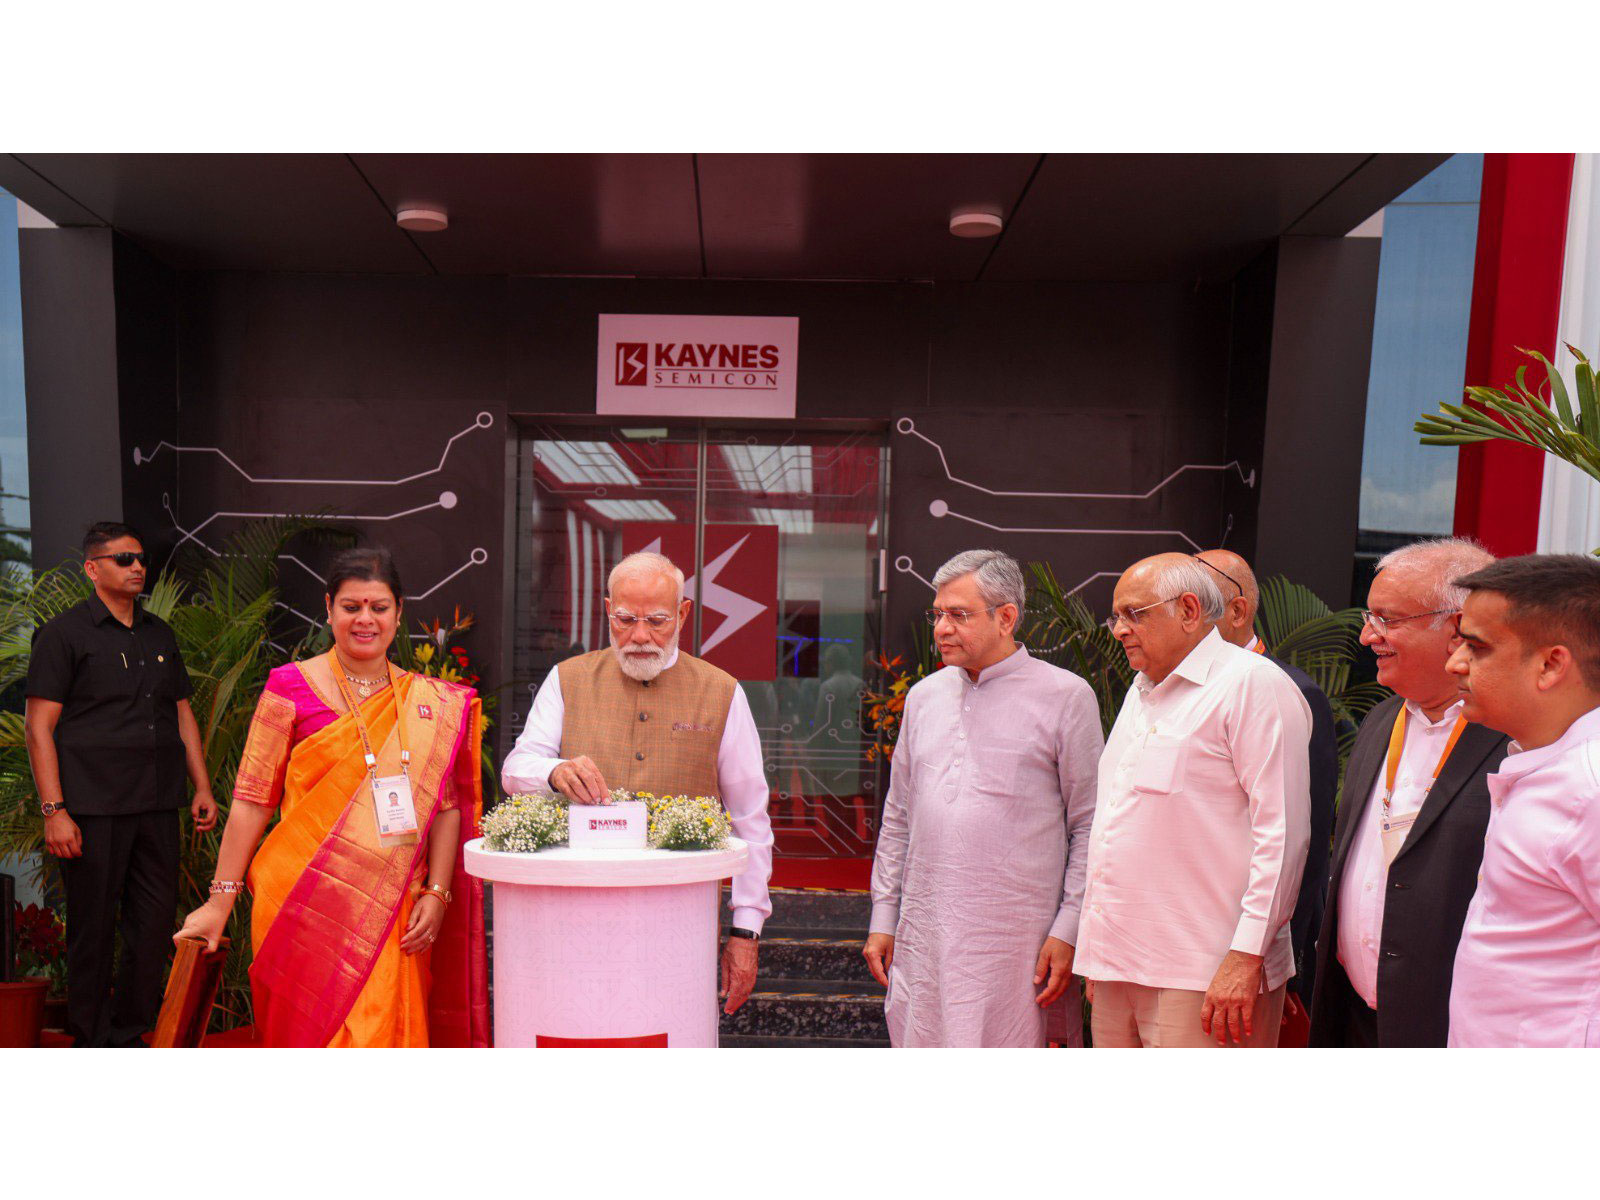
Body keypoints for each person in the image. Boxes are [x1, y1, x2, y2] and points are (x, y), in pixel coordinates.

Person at [175, 548, 489, 1047]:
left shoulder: (428, 702)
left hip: (391, 905)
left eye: (379, 607)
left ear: (399, 612)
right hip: (301, 900)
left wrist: (438, 892)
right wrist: (219, 902)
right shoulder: (289, 687)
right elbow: (253, 801)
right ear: (329, 608)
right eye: (351, 606)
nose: (365, 619)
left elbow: (446, 808)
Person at [501, 550, 774, 1015]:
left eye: (658, 621)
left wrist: (745, 931)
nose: (640, 637)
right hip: (574, 913)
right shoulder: (568, 679)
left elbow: (750, 818)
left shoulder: (722, 691)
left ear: (684, 614)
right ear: (608, 609)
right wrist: (552, 771)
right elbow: (516, 766)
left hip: (681, 921)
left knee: (669, 1028)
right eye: (626, 619)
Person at [864, 549, 1101, 1047]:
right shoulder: (925, 696)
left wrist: (1068, 928)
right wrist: (883, 917)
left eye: (959, 615)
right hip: (924, 933)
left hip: (1016, 943)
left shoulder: (1066, 696)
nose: (942, 628)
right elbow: (898, 817)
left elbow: (1090, 825)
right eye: (938, 614)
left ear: (1006, 617)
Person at [1076, 552, 1311, 1048]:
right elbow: (1115, 825)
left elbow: (1283, 835)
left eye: (1134, 614)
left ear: (1188, 610)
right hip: (1120, 966)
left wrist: (1247, 957)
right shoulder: (1141, 692)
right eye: (1115, 616)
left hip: (1207, 972)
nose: (1118, 630)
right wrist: (1100, 952)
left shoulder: (1252, 683)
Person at [24, 522, 218, 1047]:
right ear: (92, 568)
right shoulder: (64, 634)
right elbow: (38, 727)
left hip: (158, 802)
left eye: (140, 558)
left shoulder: (159, 633)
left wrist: (201, 787)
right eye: (123, 558)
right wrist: (54, 811)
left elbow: (182, 713)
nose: (137, 567)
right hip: (91, 807)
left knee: (154, 925)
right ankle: (90, 1038)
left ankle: (132, 1033)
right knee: (92, 928)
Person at [1307, 537, 1505, 1048]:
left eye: (1387, 619)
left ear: (1457, 627)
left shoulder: (1518, 739)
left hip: (1445, 1026)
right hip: (1351, 1013)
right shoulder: (1381, 718)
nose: (1368, 636)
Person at [1444, 554, 1600, 1047]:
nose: (1455, 663)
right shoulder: (1550, 764)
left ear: (1551, 664)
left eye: (1477, 646)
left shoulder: (1589, 789)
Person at [1195, 548, 1338, 1002]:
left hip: (1254, 954)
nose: (1183, 620)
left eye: (1195, 605)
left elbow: (1305, 838)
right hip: (1187, 940)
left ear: (1237, 610)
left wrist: (1282, 961)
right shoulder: (1167, 690)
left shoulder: (1291, 690)